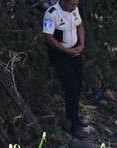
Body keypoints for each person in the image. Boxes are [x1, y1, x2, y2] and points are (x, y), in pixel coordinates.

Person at [43, 0, 86, 138]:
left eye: (76, 4)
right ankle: (72, 124)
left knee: (78, 85)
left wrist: (81, 44)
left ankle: (75, 117)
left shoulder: (74, 10)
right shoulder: (51, 14)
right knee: (70, 86)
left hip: (75, 51)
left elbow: (79, 26)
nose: (75, 7)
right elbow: (49, 38)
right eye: (72, 4)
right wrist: (66, 51)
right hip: (60, 54)